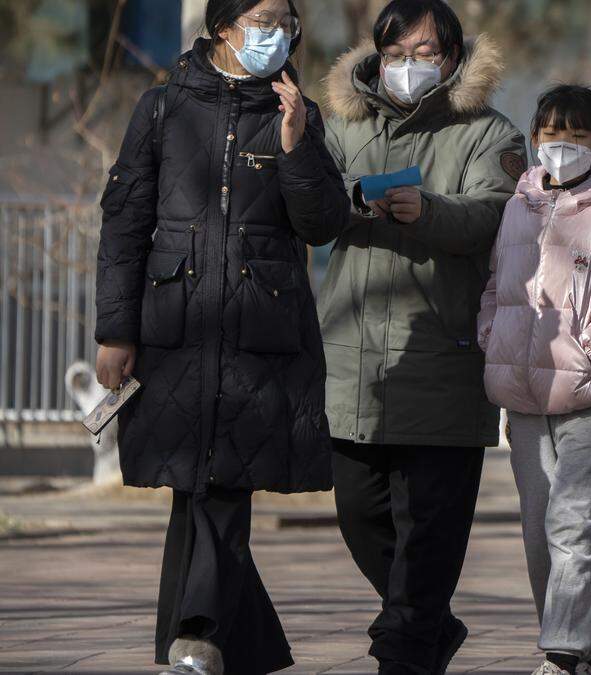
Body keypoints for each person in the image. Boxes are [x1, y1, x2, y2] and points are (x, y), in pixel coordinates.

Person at [93, 0, 349, 672]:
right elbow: (124, 223)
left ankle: (197, 632)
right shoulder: (160, 108)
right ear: (224, 24)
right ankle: (236, 643)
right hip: (176, 327)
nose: (278, 35)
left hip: (261, 331)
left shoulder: (295, 109)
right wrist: (115, 331)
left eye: (287, 23)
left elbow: (322, 222)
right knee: (198, 478)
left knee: (224, 475)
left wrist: (297, 145)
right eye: (264, 19)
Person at [316, 0, 526, 672]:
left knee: (429, 534)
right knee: (359, 513)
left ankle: (406, 647)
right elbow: (308, 203)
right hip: (353, 364)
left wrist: (429, 210)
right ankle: (430, 626)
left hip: (443, 358)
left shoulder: (489, 132)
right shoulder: (343, 125)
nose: (408, 67)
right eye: (396, 53)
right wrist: (350, 201)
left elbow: (497, 216)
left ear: (453, 56)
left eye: (424, 52)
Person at [477, 84, 591, 675]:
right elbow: (495, 289)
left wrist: (589, 355)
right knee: (539, 534)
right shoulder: (515, 207)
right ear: (534, 139)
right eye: (552, 132)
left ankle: (565, 650)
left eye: (577, 134)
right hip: (525, 400)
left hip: (589, 398)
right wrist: (493, 340)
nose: (562, 144)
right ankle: (562, 644)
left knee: (575, 527)